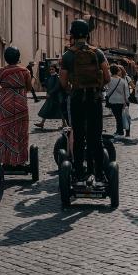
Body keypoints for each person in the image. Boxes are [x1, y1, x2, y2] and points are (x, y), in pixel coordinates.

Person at [59, 20, 110, 184]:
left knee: (79, 136)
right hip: (94, 99)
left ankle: (79, 171)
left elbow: (63, 82)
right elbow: (107, 77)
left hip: (77, 99)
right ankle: (99, 173)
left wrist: (72, 89)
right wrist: (97, 87)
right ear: (88, 34)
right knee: (96, 137)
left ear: (72, 34)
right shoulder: (98, 53)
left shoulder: (68, 55)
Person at [0, 46, 34, 167]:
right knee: (21, 130)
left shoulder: (1, 71)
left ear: (5, 58)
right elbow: (28, 88)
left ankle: (6, 160)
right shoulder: (25, 71)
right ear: (18, 58)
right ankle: (20, 160)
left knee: (5, 130)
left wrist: (5, 89)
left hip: (6, 103)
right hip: (21, 102)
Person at [35, 61, 66, 129]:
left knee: (59, 110)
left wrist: (50, 93)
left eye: (52, 69)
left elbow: (56, 87)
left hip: (56, 97)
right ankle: (42, 123)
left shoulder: (56, 77)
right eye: (50, 69)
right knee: (47, 109)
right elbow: (48, 85)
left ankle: (64, 124)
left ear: (55, 70)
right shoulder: (50, 77)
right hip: (51, 96)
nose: (51, 71)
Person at [104, 64, 130, 137]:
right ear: (117, 71)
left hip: (113, 100)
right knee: (119, 116)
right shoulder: (122, 80)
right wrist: (125, 101)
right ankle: (119, 131)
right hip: (121, 100)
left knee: (117, 117)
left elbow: (106, 88)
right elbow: (125, 92)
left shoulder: (109, 80)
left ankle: (120, 132)